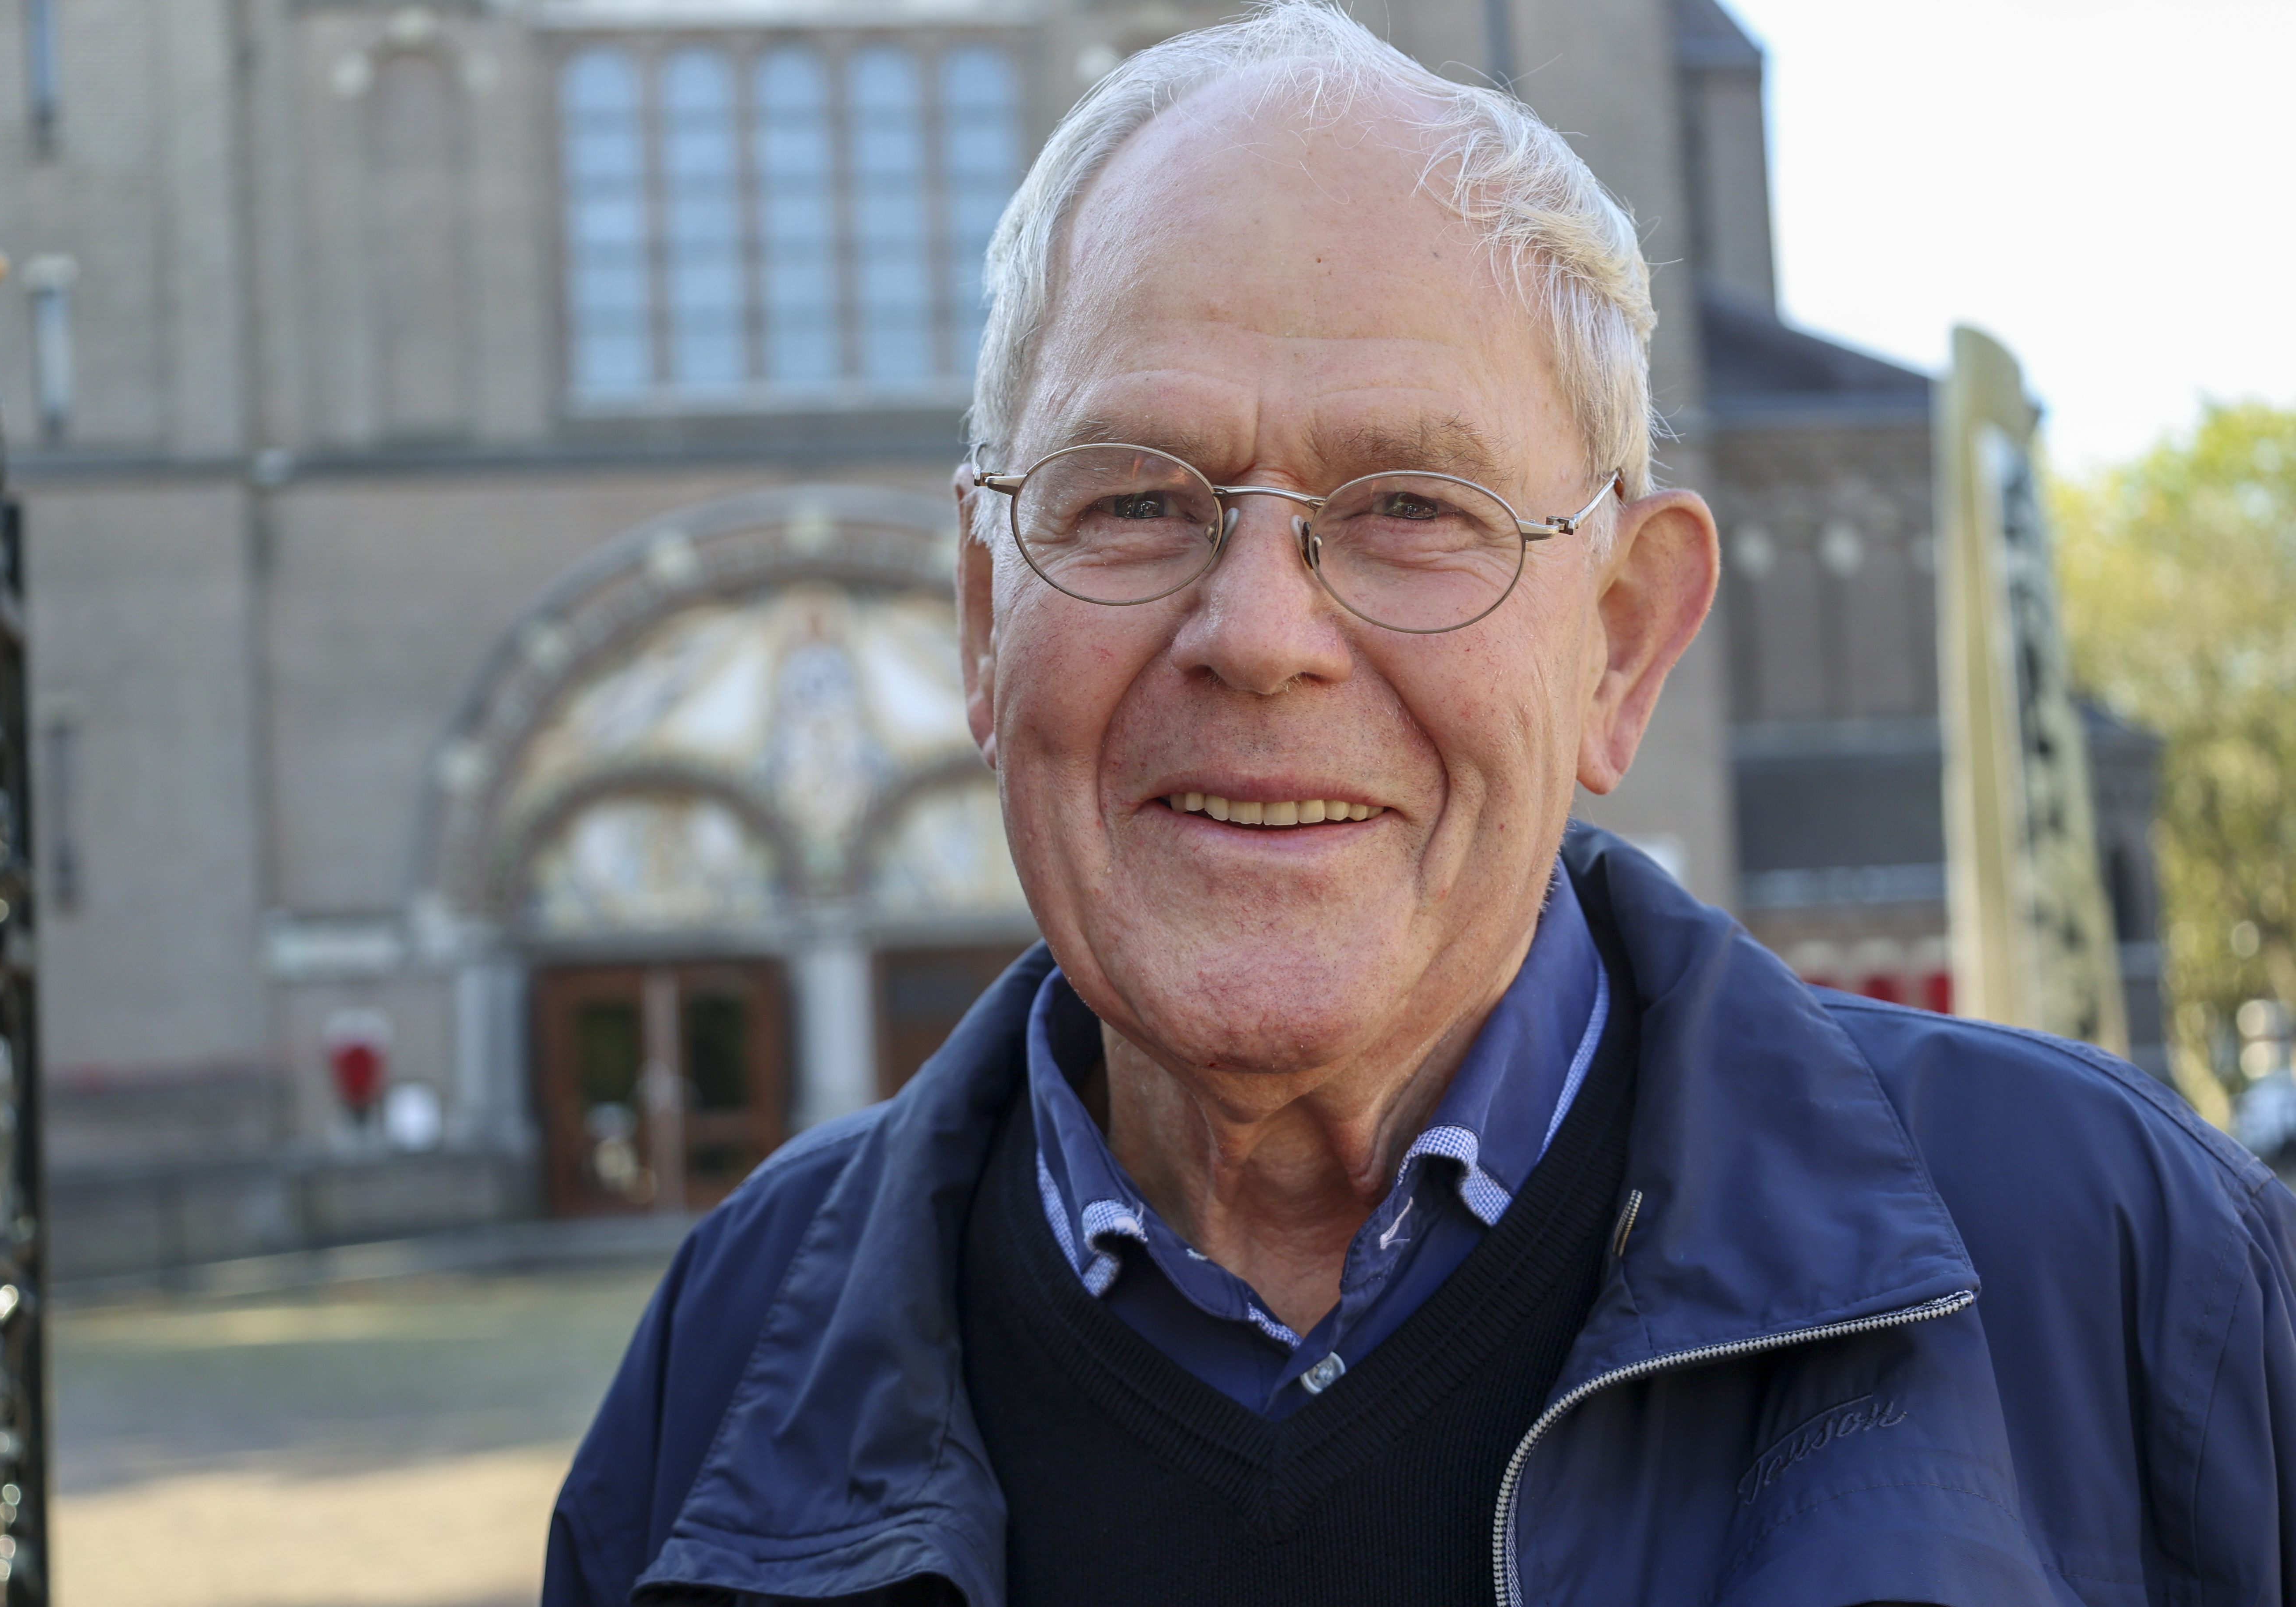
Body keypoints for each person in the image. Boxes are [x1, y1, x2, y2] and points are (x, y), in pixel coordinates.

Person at [544, 7, 2296, 1603]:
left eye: (1410, 507)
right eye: (1138, 502)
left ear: (1620, 642)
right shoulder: (735, 1345)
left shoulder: (2120, 1260)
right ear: (989, 619)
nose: (1257, 638)